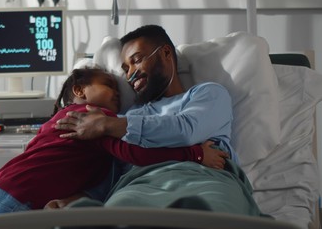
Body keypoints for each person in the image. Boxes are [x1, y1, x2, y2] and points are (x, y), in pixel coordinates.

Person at [51, 25, 264, 216]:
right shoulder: (131, 114)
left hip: (207, 179)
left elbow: (186, 130)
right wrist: (77, 198)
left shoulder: (207, 94)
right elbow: (115, 169)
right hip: (139, 186)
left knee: (212, 223)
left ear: (165, 53)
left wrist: (110, 125)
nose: (130, 75)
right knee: (118, 225)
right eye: (125, 69)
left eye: (136, 60)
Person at [0, 67, 228, 216]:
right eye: (109, 85)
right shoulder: (93, 117)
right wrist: (195, 154)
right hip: (18, 202)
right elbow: (135, 153)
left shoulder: (57, 121)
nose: (118, 92)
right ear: (79, 90)